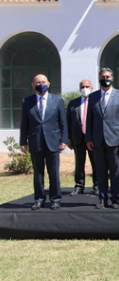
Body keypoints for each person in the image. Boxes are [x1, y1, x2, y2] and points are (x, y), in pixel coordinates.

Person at [19, 74, 67, 210]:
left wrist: (63, 140)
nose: (41, 84)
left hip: (52, 142)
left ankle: (55, 199)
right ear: (33, 85)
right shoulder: (27, 102)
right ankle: (39, 199)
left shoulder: (57, 100)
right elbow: (24, 124)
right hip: (36, 141)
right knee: (38, 173)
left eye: (43, 81)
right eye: (38, 82)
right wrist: (23, 141)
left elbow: (63, 122)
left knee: (54, 172)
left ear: (49, 83)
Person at [86, 68, 119, 210]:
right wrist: (89, 138)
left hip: (115, 139)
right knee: (100, 171)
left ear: (112, 78)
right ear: (99, 79)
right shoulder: (93, 97)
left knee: (115, 171)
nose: (105, 78)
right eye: (103, 76)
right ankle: (102, 198)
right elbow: (89, 119)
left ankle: (115, 199)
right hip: (98, 140)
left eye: (108, 76)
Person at [66, 79, 97, 196]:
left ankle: (97, 186)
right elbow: (68, 121)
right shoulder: (73, 103)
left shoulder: (95, 102)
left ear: (92, 88)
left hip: (93, 139)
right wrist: (68, 138)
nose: (85, 88)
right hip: (77, 138)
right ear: (80, 89)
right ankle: (79, 186)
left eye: (87, 86)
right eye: (83, 86)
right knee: (79, 163)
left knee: (96, 163)